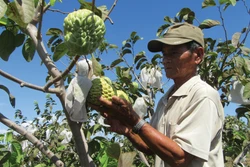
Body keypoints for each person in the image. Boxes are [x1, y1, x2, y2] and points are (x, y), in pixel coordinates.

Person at [90, 22, 225, 167]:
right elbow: (151, 147)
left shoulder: (203, 95)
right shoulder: (165, 100)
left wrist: (133, 119)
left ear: (198, 55)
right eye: (164, 54)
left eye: (173, 53)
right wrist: (128, 130)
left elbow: (180, 158)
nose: (165, 60)